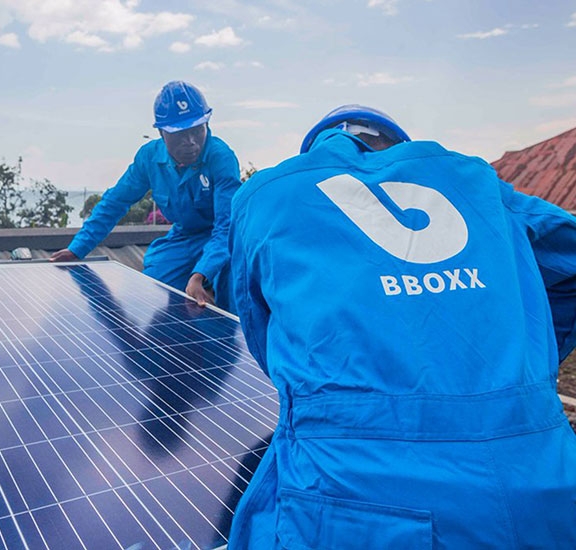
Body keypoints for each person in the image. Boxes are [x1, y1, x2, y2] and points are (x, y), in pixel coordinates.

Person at [227, 104, 576, 548]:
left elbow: (261, 331)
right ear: (396, 144)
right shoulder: (476, 181)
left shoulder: (266, 195)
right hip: (541, 479)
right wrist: (523, 367)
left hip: (356, 496)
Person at [49, 80, 241, 313]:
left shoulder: (221, 158)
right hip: (183, 239)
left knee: (228, 293)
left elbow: (226, 227)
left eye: (197, 130)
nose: (191, 141)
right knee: (153, 291)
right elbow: (115, 203)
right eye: (181, 134)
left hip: (221, 240)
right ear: (162, 133)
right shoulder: (149, 158)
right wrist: (77, 248)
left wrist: (201, 274)